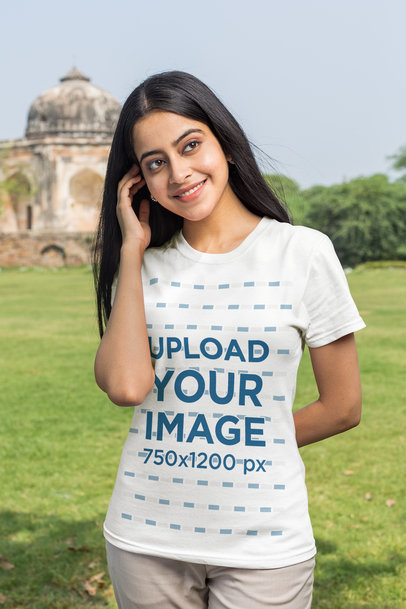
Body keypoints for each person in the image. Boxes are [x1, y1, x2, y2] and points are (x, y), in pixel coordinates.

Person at [93, 71, 365, 609]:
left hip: (266, 543)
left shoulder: (304, 253)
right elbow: (126, 387)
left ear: (227, 145)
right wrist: (129, 250)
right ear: (139, 181)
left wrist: (240, 440)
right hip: (146, 538)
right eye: (155, 163)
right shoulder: (144, 266)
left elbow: (343, 407)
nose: (179, 173)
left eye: (191, 145)